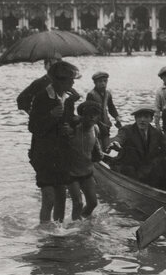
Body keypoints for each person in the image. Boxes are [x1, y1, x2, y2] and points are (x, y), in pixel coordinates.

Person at [28, 60, 81, 224]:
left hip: (62, 153)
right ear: (59, 81)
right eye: (70, 79)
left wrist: (71, 128)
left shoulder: (68, 99)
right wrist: (51, 115)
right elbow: (33, 127)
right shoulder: (42, 98)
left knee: (61, 196)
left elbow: (70, 122)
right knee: (49, 198)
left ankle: (58, 231)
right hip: (44, 154)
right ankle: (44, 232)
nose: (73, 82)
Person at [110, 105, 166, 192]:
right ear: (135, 118)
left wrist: (158, 163)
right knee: (130, 170)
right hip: (131, 168)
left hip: (148, 169)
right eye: (139, 117)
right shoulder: (127, 130)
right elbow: (119, 138)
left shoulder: (157, 133)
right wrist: (116, 143)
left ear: (151, 119)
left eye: (146, 117)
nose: (142, 120)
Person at [67, 101, 104, 219]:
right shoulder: (73, 129)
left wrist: (100, 155)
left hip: (86, 171)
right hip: (70, 172)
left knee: (93, 203)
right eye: (89, 114)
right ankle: (73, 229)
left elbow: (97, 149)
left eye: (95, 114)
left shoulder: (95, 128)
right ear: (82, 116)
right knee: (78, 203)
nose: (92, 117)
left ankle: (79, 222)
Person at [85, 71, 121, 149]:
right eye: (100, 81)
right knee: (97, 145)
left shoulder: (108, 93)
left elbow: (111, 107)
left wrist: (117, 117)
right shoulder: (91, 94)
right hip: (95, 124)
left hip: (106, 123)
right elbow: (89, 112)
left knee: (106, 145)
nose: (103, 83)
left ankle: (106, 152)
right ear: (95, 83)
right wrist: (97, 123)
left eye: (105, 81)